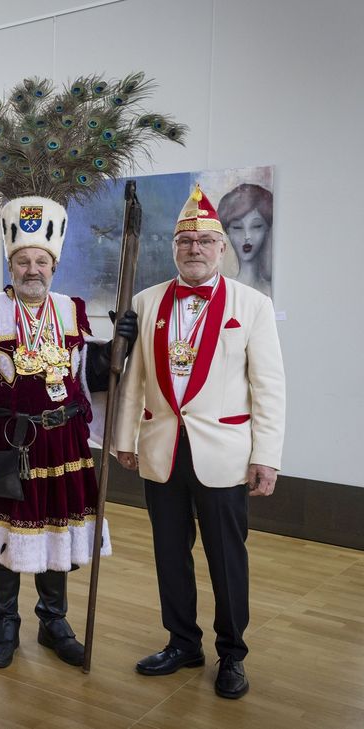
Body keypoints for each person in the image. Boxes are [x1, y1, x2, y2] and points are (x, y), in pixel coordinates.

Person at [0, 194, 137, 670]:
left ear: (53, 265)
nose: (33, 269)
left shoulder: (71, 311)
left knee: (57, 533)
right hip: (5, 441)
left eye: (41, 261)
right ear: (11, 264)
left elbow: (86, 375)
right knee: (2, 537)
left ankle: (54, 621)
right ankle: (4, 623)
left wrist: (119, 347)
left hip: (62, 443)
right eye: (23, 260)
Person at [115, 184, 285, 699]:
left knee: (227, 558)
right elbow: (135, 381)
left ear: (221, 249)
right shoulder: (146, 302)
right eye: (184, 240)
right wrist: (125, 439)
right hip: (162, 448)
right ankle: (182, 642)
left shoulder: (252, 305)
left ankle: (232, 653)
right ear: (173, 248)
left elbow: (269, 386)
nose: (194, 248)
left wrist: (267, 457)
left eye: (205, 240)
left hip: (226, 454)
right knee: (170, 552)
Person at [218, 182, 273, 294]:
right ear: (227, 231)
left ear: (267, 228)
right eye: (237, 228)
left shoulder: (270, 291)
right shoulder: (223, 292)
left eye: (256, 226)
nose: (247, 236)